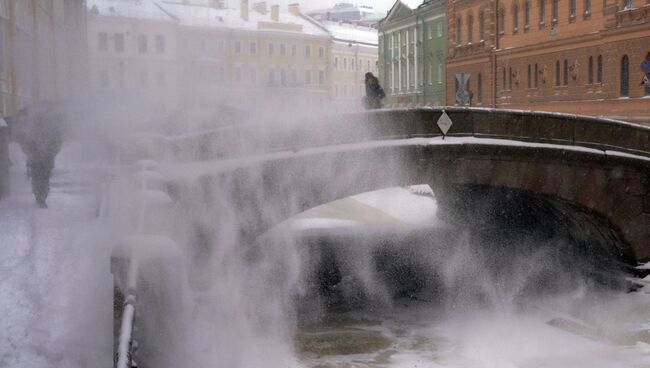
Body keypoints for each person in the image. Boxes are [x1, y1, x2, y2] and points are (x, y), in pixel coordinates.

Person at [6, 102, 64, 208]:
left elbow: (57, 142)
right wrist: (49, 153)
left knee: (39, 177)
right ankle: (41, 196)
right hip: (41, 158)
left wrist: (32, 152)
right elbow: (57, 142)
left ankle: (40, 196)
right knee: (42, 177)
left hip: (41, 158)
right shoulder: (36, 127)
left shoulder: (46, 127)